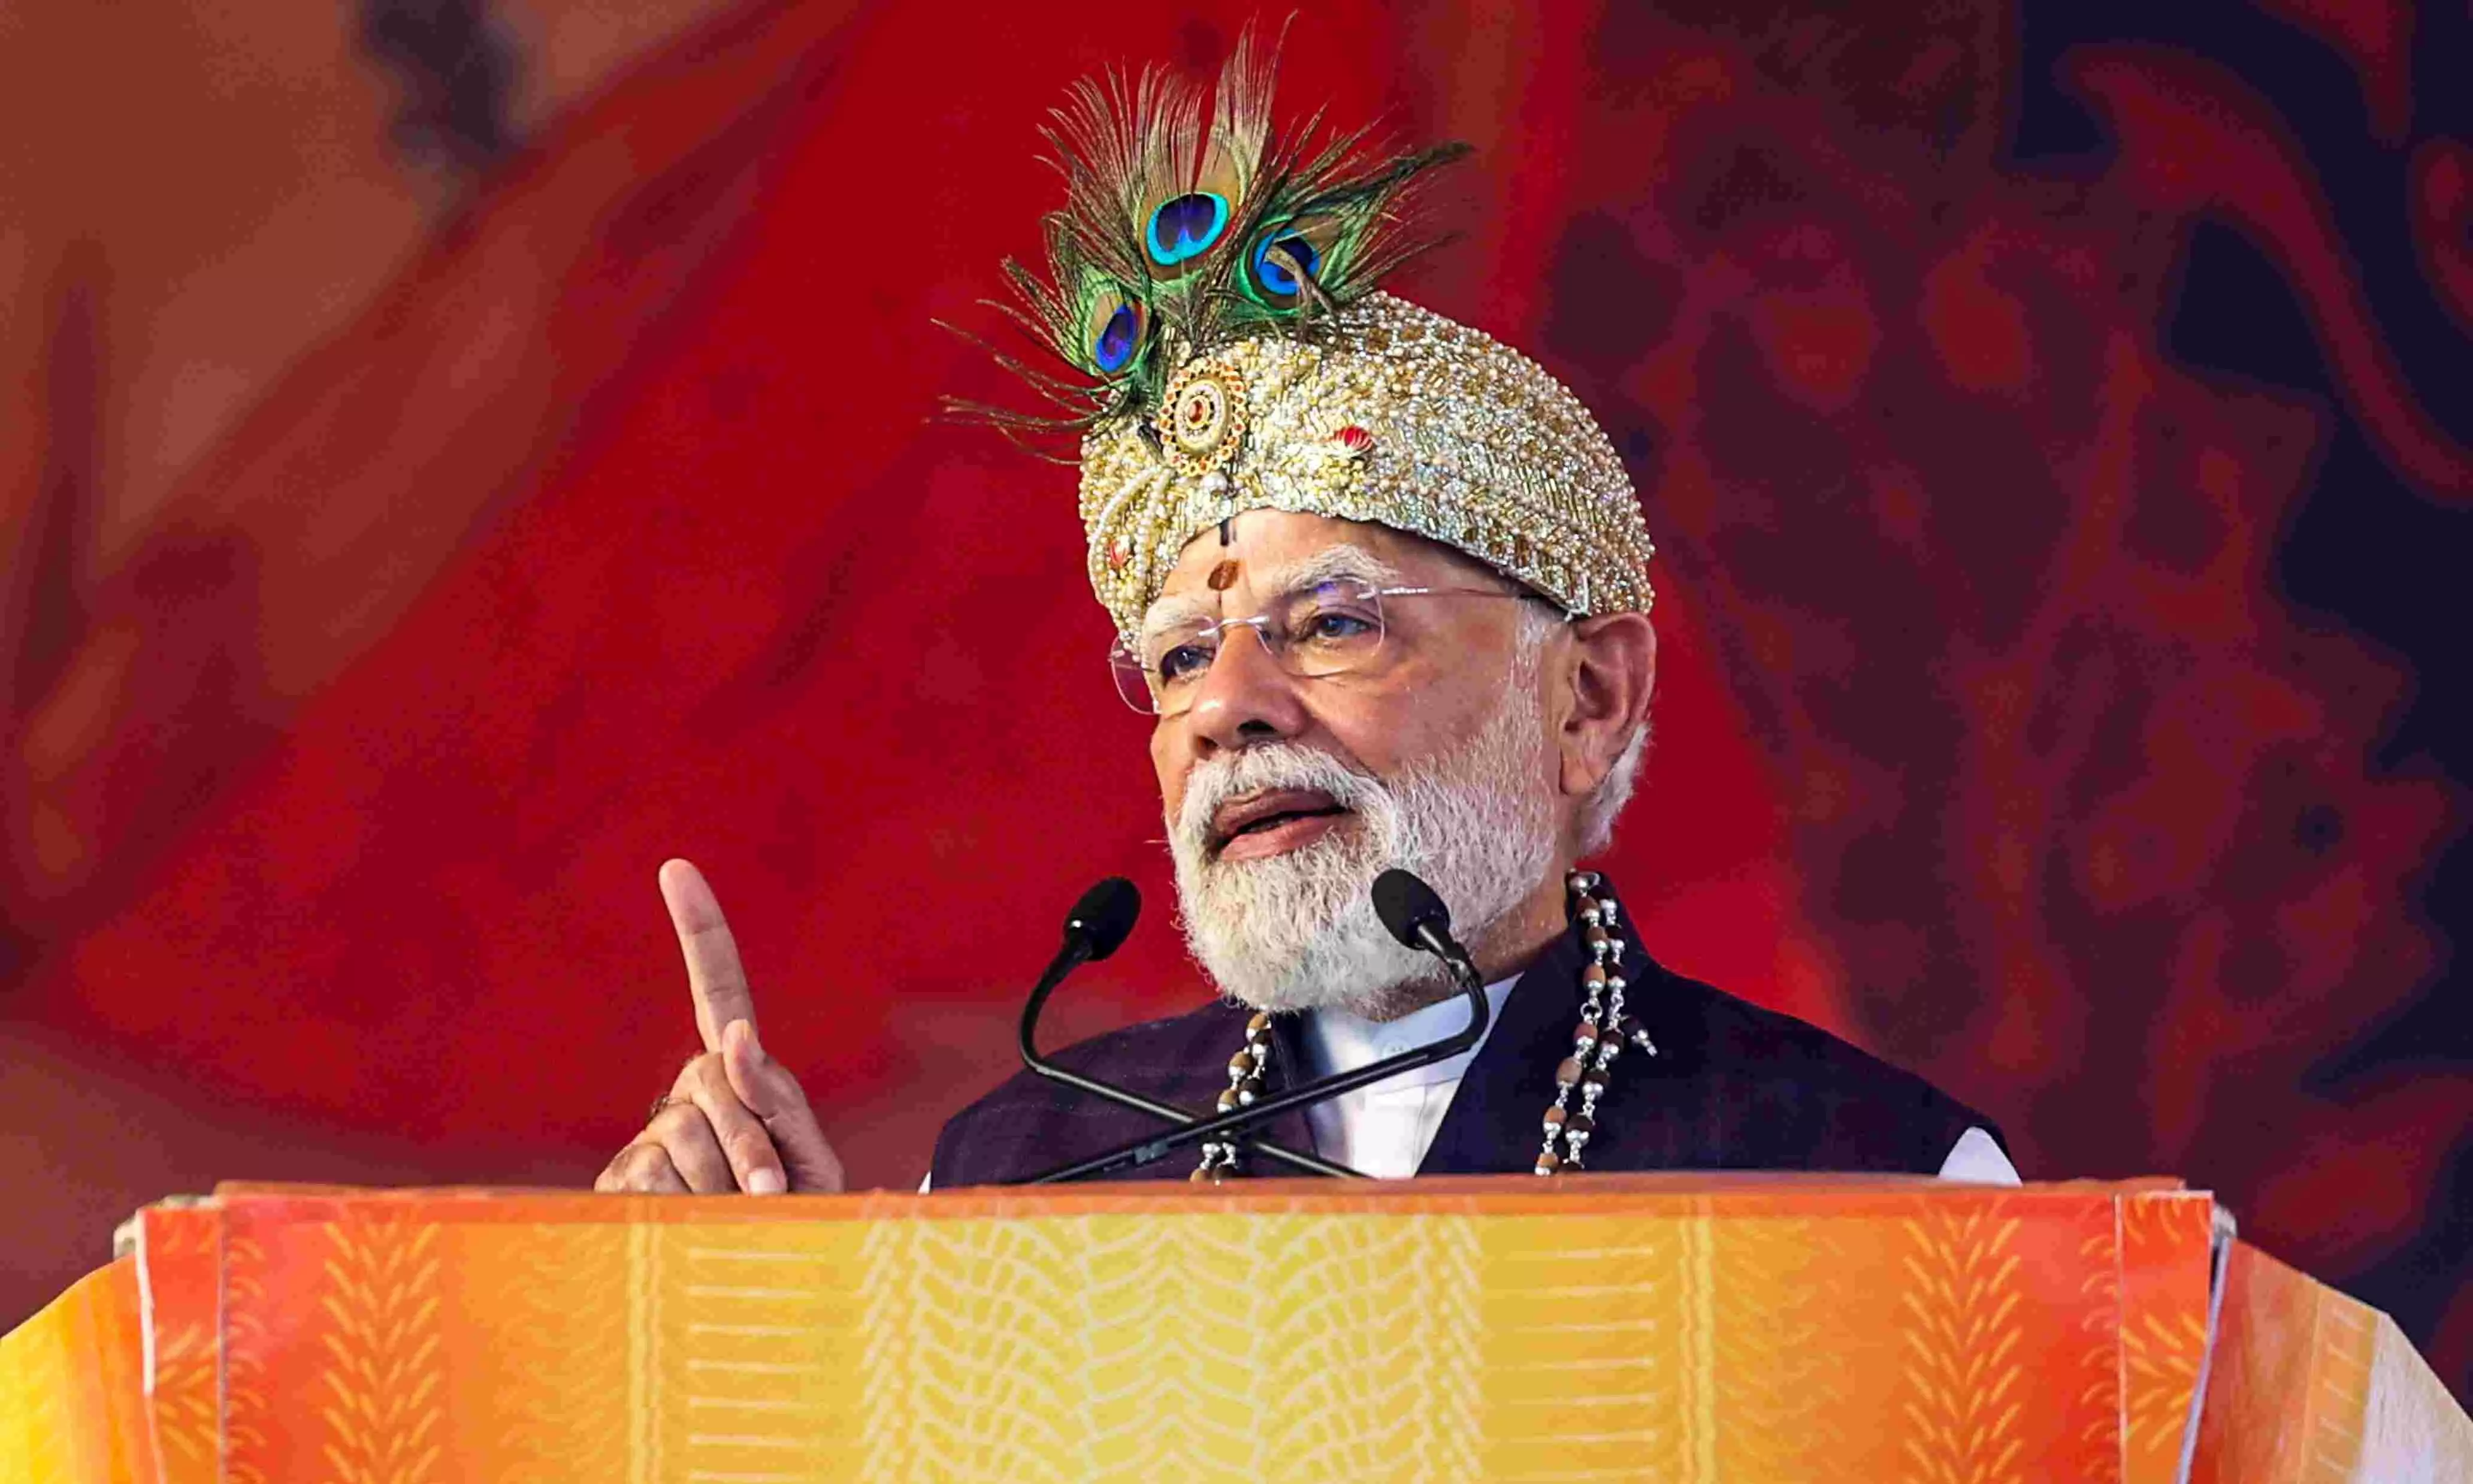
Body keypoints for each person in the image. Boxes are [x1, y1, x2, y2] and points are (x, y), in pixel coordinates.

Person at [595, 40, 2017, 1199]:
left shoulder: (1878, 1184)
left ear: (1585, 699)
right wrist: (777, 1328)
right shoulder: (1021, 1176)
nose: (1225, 708)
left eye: (1331, 623)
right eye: (1178, 656)